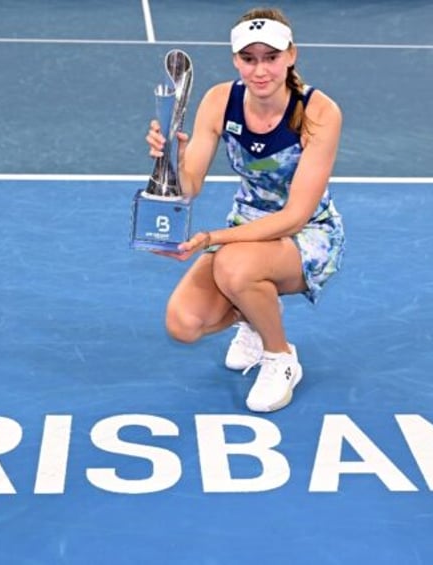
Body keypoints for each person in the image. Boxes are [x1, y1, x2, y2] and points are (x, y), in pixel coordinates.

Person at [145, 7, 345, 413]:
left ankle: (280, 356)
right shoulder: (221, 100)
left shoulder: (319, 112)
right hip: (246, 227)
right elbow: (191, 185)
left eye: (270, 57)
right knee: (183, 324)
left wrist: (212, 240)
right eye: (249, 59)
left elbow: (295, 216)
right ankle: (254, 317)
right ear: (236, 59)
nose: (260, 70)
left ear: (291, 55)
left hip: (308, 234)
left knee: (234, 266)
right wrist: (170, 159)